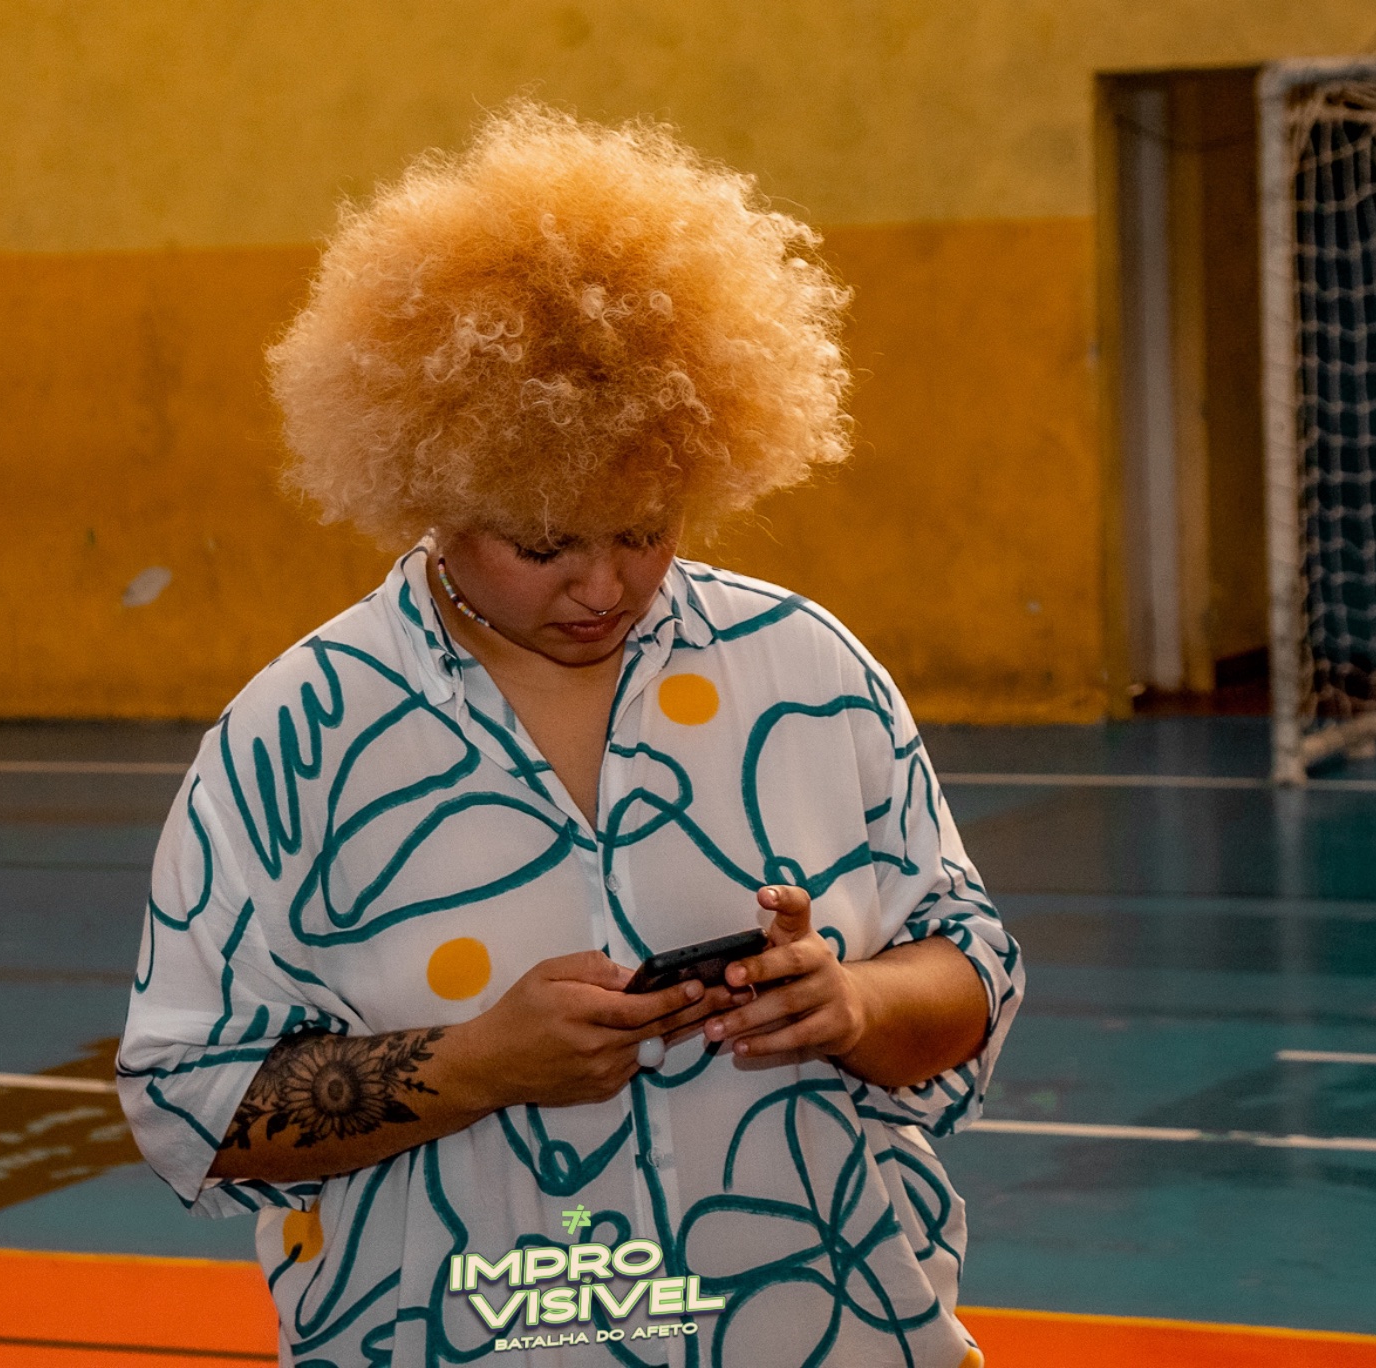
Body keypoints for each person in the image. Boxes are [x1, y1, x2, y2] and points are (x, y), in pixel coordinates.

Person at [117, 102, 1021, 1368]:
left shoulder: (807, 673)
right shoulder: (297, 738)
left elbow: (971, 971)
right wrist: (475, 1065)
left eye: (645, 527)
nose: (605, 586)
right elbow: (189, 1106)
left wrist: (851, 1001)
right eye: (544, 543)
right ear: (433, 489)